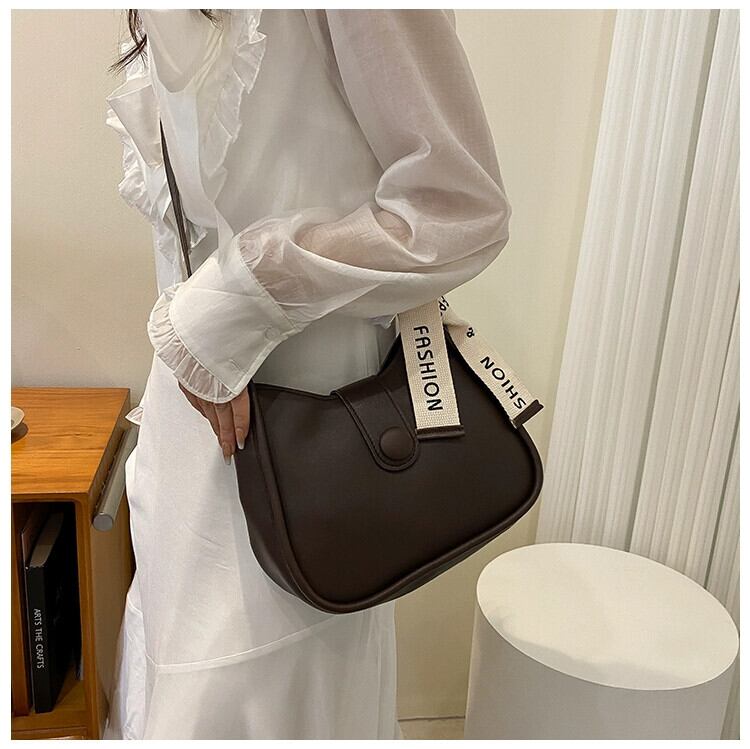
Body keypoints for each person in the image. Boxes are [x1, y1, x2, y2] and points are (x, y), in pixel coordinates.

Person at [103, 9, 511, 740]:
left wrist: (234, 301)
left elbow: (459, 207)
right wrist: (198, 327)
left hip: (309, 447)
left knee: (262, 694)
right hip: (187, 431)